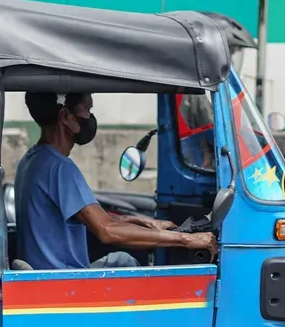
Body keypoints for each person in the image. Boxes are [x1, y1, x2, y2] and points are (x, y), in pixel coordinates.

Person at [14, 92, 216, 271]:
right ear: (66, 116)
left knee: (122, 260)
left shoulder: (32, 160)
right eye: (87, 110)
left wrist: (144, 222)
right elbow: (106, 230)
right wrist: (186, 239)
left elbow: (92, 218)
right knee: (124, 262)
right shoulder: (60, 168)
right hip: (64, 283)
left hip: (48, 277)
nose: (91, 118)